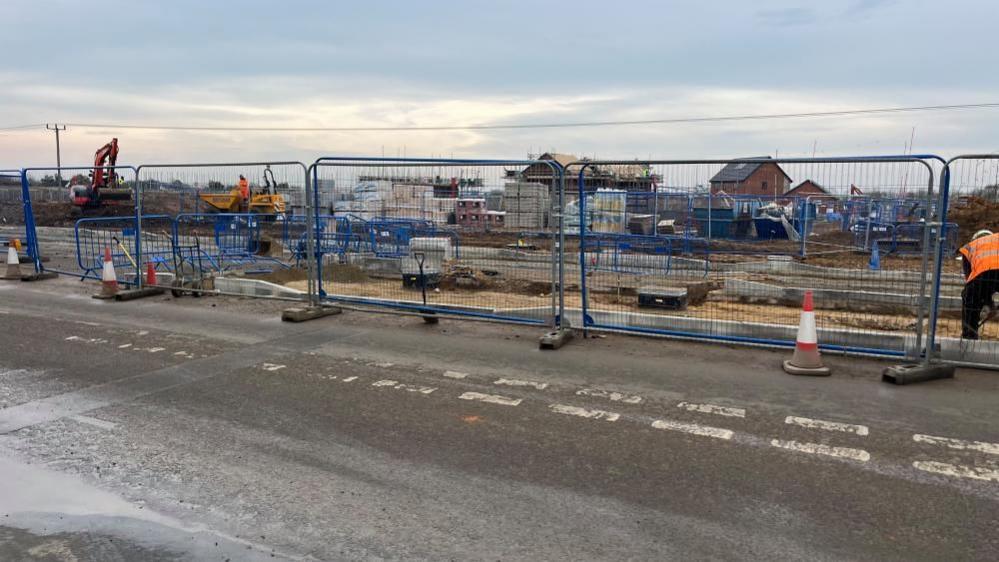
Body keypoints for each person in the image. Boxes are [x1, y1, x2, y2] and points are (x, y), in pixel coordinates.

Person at [959, 229, 999, 339]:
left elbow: (974, 283)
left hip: (982, 276)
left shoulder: (970, 247)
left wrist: (989, 305)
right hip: (987, 275)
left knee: (969, 296)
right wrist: (991, 305)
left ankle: (969, 335)